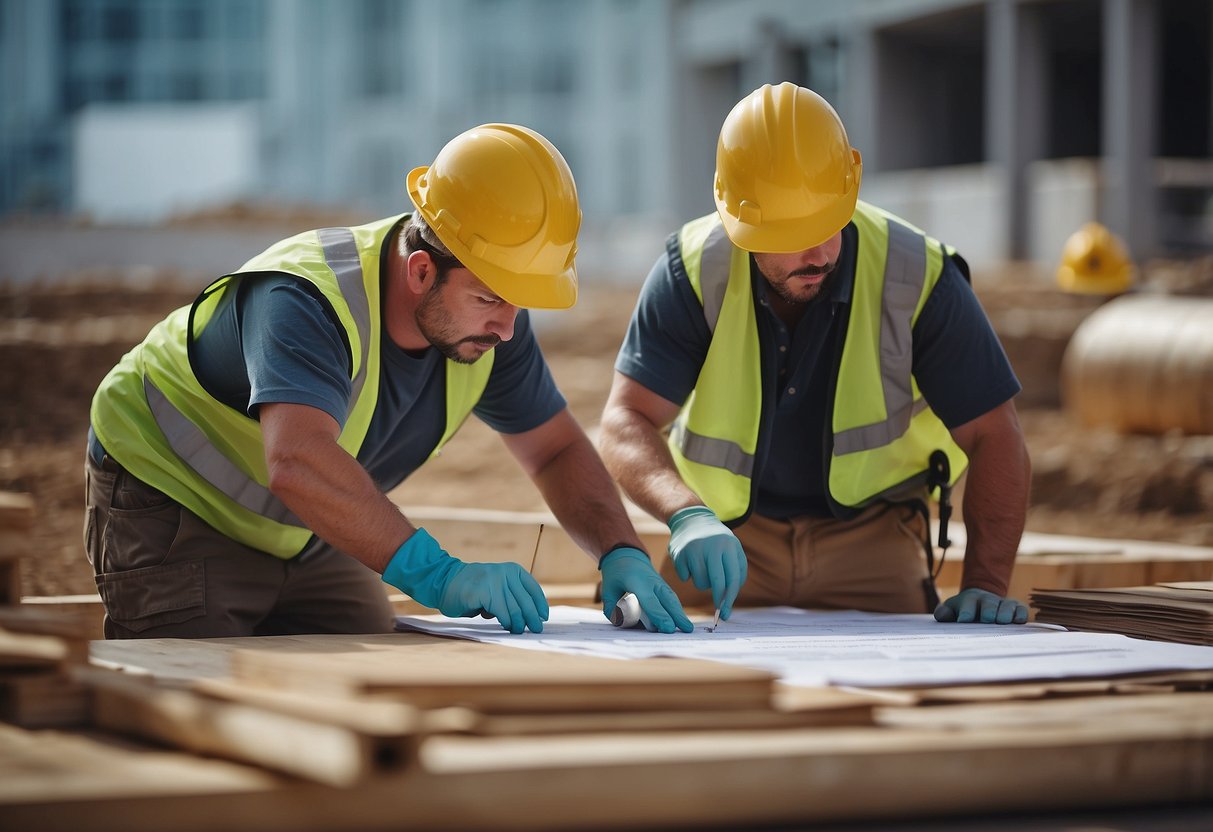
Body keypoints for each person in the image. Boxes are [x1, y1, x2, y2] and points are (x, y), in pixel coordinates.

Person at [86, 123, 692, 639]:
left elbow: (555, 448)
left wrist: (620, 551)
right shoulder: (304, 299)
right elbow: (297, 461)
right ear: (422, 270)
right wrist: (441, 576)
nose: (507, 329)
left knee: (385, 665)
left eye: (518, 302)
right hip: (173, 501)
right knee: (201, 699)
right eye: (489, 299)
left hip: (305, 528)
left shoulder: (490, 327)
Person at [599, 83, 1031, 626]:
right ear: (739, 221)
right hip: (724, 542)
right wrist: (686, 515)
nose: (819, 252)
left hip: (874, 541)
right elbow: (624, 420)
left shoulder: (916, 274)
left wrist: (986, 586)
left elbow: (996, 433)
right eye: (790, 233)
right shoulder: (693, 269)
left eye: (829, 223)